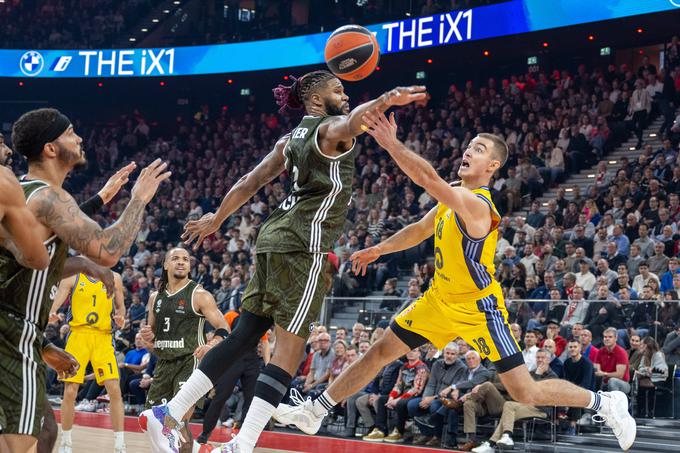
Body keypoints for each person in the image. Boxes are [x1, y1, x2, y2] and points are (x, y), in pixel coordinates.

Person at [274, 111, 636, 451]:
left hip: (478, 306)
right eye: (468, 146)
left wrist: (391, 144)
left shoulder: (477, 204)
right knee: (380, 351)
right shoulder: (452, 196)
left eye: (478, 149)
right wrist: (378, 250)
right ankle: (315, 410)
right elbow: (419, 229)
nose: (467, 151)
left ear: (492, 166)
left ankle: (605, 401)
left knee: (524, 391)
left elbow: (427, 179)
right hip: (438, 299)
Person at [140, 71, 426, 453]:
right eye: (336, 89)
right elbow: (357, 117)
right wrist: (389, 96)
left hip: (272, 239)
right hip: (302, 247)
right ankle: (241, 445)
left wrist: (217, 219)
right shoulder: (331, 131)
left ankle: (170, 412)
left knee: (244, 336)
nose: (344, 94)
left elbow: (248, 181)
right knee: (288, 353)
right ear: (313, 99)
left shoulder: (288, 140)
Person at [0, 108, 168, 453]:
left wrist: (80, 265)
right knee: (18, 442)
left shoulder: (27, 192)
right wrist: (138, 200)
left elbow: (31, 264)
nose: (79, 138)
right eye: (71, 132)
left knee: (46, 430)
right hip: (14, 332)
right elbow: (107, 250)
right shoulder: (48, 196)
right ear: (50, 148)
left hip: (20, 332)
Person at [139, 248, 230, 453]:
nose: (181, 262)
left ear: (190, 266)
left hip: (191, 363)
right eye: (175, 258)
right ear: (165, 265)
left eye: (186, 259)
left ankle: (197, 449)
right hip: (163, 365)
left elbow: (224, 328)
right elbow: (152, 335)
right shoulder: (155, 297)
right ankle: (199, 450)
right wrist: (147, 337)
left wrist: (210, 345)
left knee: (176, 420)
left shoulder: (200, 295)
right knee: (153, 423)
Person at [49, 272, 126, 453]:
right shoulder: (72, 277)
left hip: (103, 337)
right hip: (78, 336)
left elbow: (121, 308)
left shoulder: (114, 277)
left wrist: (121, 318)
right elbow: (54, 305)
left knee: (114, 389)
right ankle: (66, 443)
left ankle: (120, 444)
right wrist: (52, 313)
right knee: (70, 391)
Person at [196, 308, 270, 445]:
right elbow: (223, 334)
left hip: (251, 359)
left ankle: (245, 437)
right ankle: (205, 433)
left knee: (251, 399)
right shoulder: (232, 315)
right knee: (220, 396)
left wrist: (268, 364)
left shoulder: (260, 318)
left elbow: (265, 343)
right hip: (233, 358)